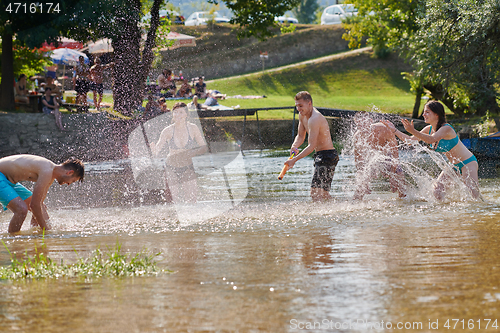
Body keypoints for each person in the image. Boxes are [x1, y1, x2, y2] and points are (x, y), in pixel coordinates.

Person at [382, 100, 480, 200]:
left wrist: (413, 130)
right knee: (437, 191)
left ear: (437, 114)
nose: (424, 114)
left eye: (427, 112)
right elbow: (410, 141)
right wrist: (394, 130)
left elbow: (431, 139)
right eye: (424, 112)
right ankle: (444, 212)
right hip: (453, 165)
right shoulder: (428, 129)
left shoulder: (446, 128)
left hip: (468, 163)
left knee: (474, 197)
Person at [0, 155, 84, 233]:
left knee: (42, 207)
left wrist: (44, 230)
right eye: (72, 181)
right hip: (1, 176)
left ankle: (36, 237)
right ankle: (13, 243)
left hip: (9, 181)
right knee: (21, 209)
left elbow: (38, 205)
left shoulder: (50, 175)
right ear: (69, 172)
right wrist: (46, 230)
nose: (69, 184)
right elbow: (34, 205)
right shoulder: (47, 170)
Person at [284, 91, 339, 201]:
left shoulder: (315, 118)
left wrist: (294, 160)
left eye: (301, 106)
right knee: (322, 194)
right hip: (320, 156)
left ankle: (330, 213)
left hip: (328, 156)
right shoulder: (302, 115)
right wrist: (294, 146)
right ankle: (342, 209)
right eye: (297, 106)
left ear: (309, 103)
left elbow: (311, 146)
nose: (298, 109)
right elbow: (300, 136)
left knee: (316, 193)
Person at [150, 102, 208, 203]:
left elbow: (204, 147)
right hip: (171, 167)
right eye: (175, 112)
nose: (178, 115)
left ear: (186, 114)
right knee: (173, 200)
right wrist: (153, 149)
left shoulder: (193, 128)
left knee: (192, 199)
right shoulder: (167, 130)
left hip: (188, 167)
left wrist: (193, 152)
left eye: (181, 112)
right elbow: (157, 150)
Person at [352, 112, 405, 200]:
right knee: (360, 185)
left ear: (371, 121)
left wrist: (392, 174)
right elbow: (358, 161)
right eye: (359, 125)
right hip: (371, 158)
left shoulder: (384, 129)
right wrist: (363, 179)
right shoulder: (357, 137)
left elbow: (395, 154)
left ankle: (404, 202)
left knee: (400, 179)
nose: (363, 128)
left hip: (388, 156)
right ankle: (356, 204)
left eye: (364, 124)